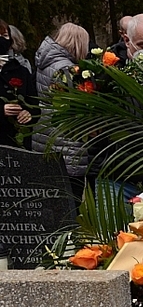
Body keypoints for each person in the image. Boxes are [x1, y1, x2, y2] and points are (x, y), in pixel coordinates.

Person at [32, 23, 93, 186]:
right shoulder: (66, 70)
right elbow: (75, 107)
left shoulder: (46, 63)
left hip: (46, 132)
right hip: (66, 141)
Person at [0, 19, 38, 148]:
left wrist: (28, 113)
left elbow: (34, 105)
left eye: (5, 36)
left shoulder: (21, 71)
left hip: (17, 144)